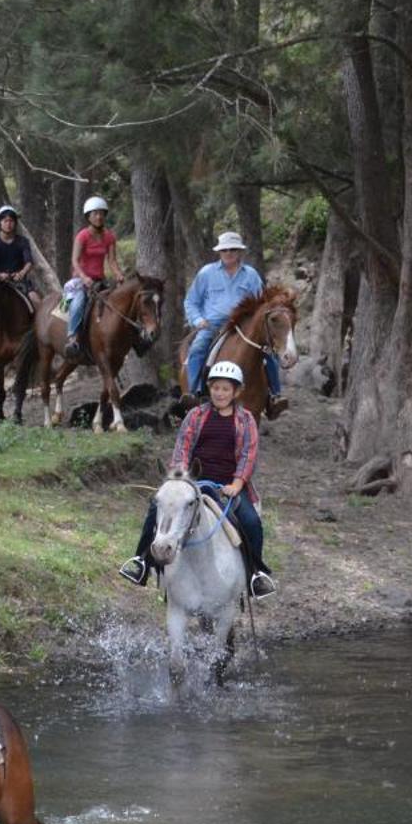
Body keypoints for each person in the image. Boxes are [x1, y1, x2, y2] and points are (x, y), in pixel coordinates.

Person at [117, 360, 277, 600]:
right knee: (155, 507)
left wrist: (237, 483)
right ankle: (141, 561)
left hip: (229, 485)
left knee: (251, 522)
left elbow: (248, 454)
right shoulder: (195, 415)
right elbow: (183, 448)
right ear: (209, 388)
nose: (220, 393)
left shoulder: (246, 420)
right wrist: (181, 479)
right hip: (192, 482)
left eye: (225, 389)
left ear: (236, 391)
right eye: (215, 388)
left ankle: (256, 574)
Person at [182, 230, 266, 399]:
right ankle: (193, 392)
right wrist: (198, 320)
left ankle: (274, 395)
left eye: (233, 249)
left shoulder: (251, 275)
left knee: (269, 352)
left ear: (240, 252)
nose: (228, 253)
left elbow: (262, 303)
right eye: (225, 250)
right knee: (198, 348)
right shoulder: (206, 273)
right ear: (219, 252)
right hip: (212, 325)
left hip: (243, 325)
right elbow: (191, 301)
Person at [63, 195, 117, 359]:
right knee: (79, 302)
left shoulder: (109, 237)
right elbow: (75, 260)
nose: (99, 216)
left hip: (100, 280)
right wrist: (84, 277)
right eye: (95, 213)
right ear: (88, 216)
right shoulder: (82, 236)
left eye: (101, 213)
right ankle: (73, 338)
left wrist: (119, 275)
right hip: (82, 279)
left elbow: (112, 261)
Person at [0, 204, 36, 294]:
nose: (8, 224)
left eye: (11, 221)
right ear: (0, 223)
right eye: (5, 221)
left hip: (20, 282)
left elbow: (29, 262)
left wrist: (21, 273)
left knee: (34, 298)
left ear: (15, 223)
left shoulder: (23, 241)